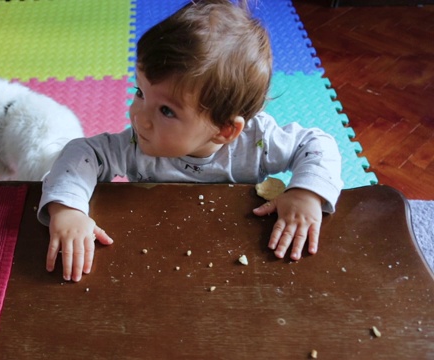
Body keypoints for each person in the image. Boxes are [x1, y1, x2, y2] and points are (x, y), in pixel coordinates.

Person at [37, 0, 343, 282]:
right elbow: (82, 152)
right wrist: (68, 209)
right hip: (154, 259)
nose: (139, 117)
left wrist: (305, 194)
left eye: (166, 110)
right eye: (140, 92)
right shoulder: (137, 145)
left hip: (239, 257)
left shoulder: (258, 143)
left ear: (224, 131)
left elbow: (318, 144)